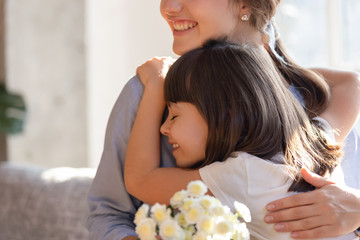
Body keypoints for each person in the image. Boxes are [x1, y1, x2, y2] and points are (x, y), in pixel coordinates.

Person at [86, 0, 360, 239]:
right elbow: (108, 215)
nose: (167, 7)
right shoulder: (147, 95)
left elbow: (141, 180)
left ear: (245, 3)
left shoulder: (319, 101)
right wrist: (314, 151)